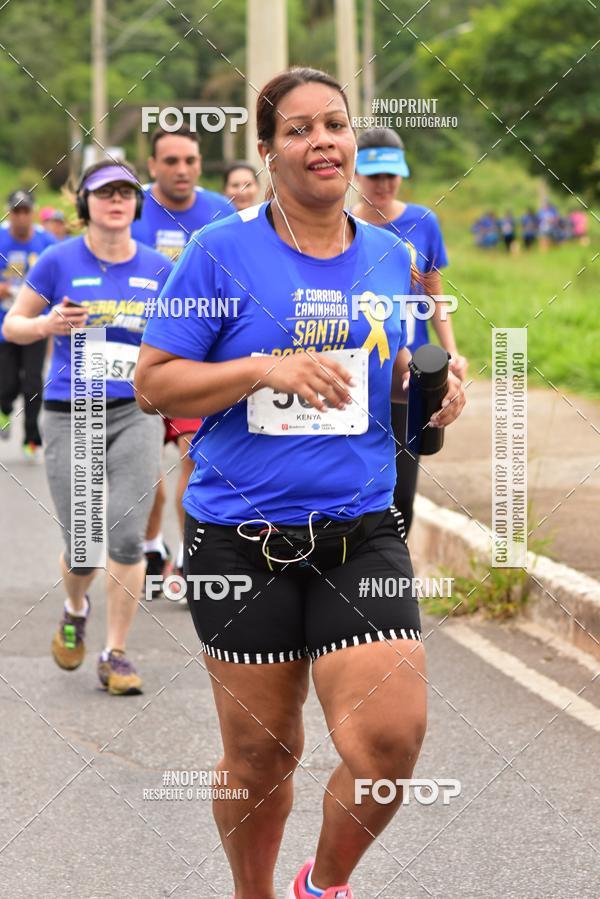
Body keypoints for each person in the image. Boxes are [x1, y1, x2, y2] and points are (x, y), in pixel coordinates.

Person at [135, 66, 466, 899]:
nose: (322, 140)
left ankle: (322, 885)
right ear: (268, 151)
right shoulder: (220, 251)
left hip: (361, 529)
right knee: (262, 754)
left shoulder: (390, 254)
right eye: (299, 129)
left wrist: (431, 385)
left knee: (389, 742)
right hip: (240, 540)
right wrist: (262, 368)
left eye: (335, 124)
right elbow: (154, 383)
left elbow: (391, 366)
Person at [3, 161, 172, 695]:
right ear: (86, 204)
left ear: (136, 204)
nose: (116, 200)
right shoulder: (58, 259)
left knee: (126, 535)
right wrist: (46, 324)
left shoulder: (158, 268)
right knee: (82, 545)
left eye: (125, 192)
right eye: (105, 193)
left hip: (134, 411)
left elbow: (182, 336)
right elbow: (13, 324)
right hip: (72, 410)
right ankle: (76, 608)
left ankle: (115, 652)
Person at [352, 127, 467, 535]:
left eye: (391, 175)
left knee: (403, 490)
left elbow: (433, 289)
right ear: (356, 173)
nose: (383, 184)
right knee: (356, 480)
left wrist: (450, 351)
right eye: (374, 175)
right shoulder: (343, 226)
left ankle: (391, 562)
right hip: (358, 369)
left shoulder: (423, 222)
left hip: (408, 371)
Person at [132, 125, 232, 591]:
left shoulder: (221, 211)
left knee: (193, 453)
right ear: (152, 165)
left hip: (198, 360)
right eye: (170, 161)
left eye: (190, 160)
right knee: (143, 467)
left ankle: (188, 553)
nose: (182, 169)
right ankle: (151, 544)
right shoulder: (132, 208)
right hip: (137, 357)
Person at [0, 189, 55, 458]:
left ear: (32, 212)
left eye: (26, 211)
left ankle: (31, 437)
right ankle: (4, 409)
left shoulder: (46, 242)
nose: (21, 217)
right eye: (16, 211)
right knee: (6, 381)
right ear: (9, 213)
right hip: (4, 325)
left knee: (33, 382)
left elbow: (57, 277)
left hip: (35, 324)